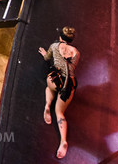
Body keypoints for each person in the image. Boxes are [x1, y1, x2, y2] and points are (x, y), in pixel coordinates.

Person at [39, 27, 80, 159]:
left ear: (61, 37)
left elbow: (47, 58)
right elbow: (70, 67)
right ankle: (63, 141)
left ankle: (47, 105)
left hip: (55, 81)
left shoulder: (55, 46)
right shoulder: (76, 52)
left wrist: (45, 53)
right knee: (60, 113)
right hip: (69, 86)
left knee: (49, 87)